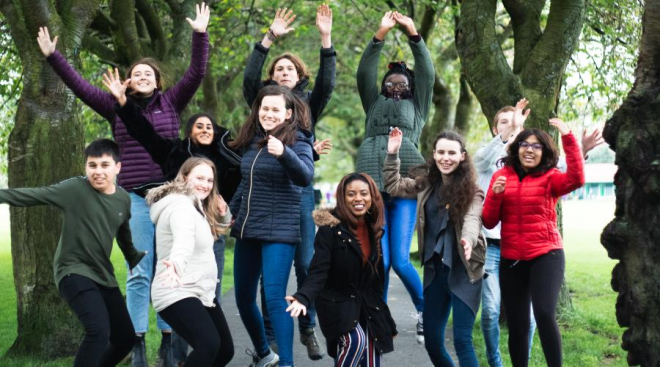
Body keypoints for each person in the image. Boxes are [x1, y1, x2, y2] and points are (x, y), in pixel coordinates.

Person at [36, 4, 211, 365]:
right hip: (134, 198)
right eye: (136, 73)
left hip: (169, 198)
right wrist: (54, 57)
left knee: (170, 268)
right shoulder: (115, 106)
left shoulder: (172, 102)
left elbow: (196, 73)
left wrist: (200, 34)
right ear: (128, 81)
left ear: (157, 80)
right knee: (140, 271)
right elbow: (80, 86)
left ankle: (169, 339)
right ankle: (135, 343)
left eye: (148, 72)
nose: (143, 75)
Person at [474, 99, 604, 367]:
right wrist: (496, 196)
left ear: (544, 152)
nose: (529, 150)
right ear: (517, 149)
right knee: (518, 323)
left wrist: (568, 137)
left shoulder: (550, 178)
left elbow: (577, 179)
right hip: (512, 259)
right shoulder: (502, 175)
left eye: (536, 146)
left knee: (544, 312)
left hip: (546, 254)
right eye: (524, 145)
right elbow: (488, 221)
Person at [0, 139, 146, 367]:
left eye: (104, 165)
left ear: (118, 167)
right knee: (98, 331)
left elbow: (123, 231)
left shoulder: (123, 199)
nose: (98, 171)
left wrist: (133, 256)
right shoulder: (75, 189)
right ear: (86, 167)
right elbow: (34, 195)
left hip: (103, 274)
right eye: (92, 165)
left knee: (125, 338)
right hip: (72, 271)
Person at [242, 5, 336, 359]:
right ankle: (270, 341)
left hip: (297, 189)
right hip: (265, 189)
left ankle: (307, 325)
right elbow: (250, 79)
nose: (284, 72)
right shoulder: (263, 103)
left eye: (290, 69)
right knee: (272, 271)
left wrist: (326, 39)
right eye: (278, 69)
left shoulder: (308, 104)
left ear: (299, 77)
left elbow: (328, 81)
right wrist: (268, 38)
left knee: (306, 261)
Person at [355, 10, 433, 343]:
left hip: (402, 189)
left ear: (411, 87)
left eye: (401, 82)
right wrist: (379, 36)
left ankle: (425, 312)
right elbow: (364, 73)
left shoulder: (419, 105)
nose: (395, 84)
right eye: (390, 82)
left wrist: (414, 33)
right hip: (372, 188)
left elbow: (427, 71)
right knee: (380, 260)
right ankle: (378, 321)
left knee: (400, 260)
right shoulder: (373, 103)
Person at [384, 128, 485, 366]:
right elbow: (393, 185)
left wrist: (468, 241)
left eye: (451, 152)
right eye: (441, 152)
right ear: (434, 154)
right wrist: (392, 154)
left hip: (464, 271)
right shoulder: (425, 185)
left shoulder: (473, 190)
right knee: (432, 341)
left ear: (462, 156)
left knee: (462, 341)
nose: (445, 157)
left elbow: (472, 220)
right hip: (435, 272)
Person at [229, 85, 314, 367]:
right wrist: (230, 213)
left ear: (288, 113)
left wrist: (284, 153)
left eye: (275, 109)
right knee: (243, 298)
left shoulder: (299, 141)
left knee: (275, 299)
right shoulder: (253, 140)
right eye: (264, 108)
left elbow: (304, 177)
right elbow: (246, 182)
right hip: (248, 229)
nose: (268, 113)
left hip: (279, 232)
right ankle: (265, 353)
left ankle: (287, 364)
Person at [285, 172, 397, 367]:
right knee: (356, 341)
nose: (358, 199)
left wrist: (386, 320)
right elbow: (318, 270)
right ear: (343, 199)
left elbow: (376, 284)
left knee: (372, 348)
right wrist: (303, 297)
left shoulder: (374, 230)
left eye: (364, 193)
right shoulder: (330, 228)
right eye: (351, 194)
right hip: (337, 301)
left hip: (365, 303)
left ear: (372, 196)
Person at [146, 157, 234, 366]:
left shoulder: (196, 205)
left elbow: (206, 235)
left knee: (224, 350)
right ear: (185, 177)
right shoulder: (181, 206)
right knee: (209, 344)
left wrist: (224, 215)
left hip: (199, 289)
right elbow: (183, 240)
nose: (205, 185)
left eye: (210, 180)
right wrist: (176, 263)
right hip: (176, 289)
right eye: (199, 178)